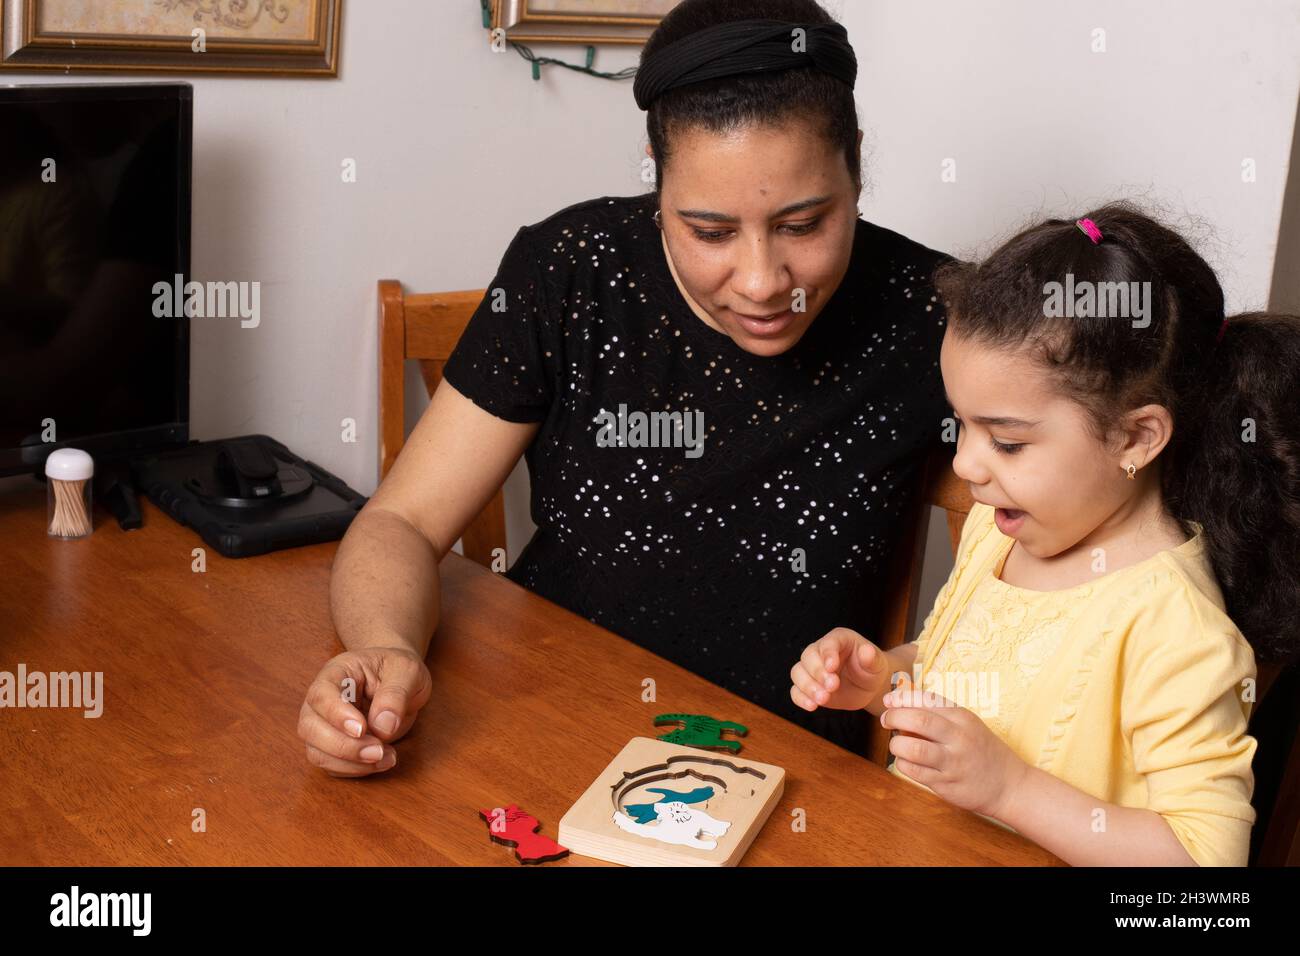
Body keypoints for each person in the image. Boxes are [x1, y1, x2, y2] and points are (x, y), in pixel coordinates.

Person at [298, 0, 954, 775]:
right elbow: (402, 521)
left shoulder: (938, 316)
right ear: (655, 173)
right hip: (540, 719)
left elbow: (1068, 585)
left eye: (805, 225)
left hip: (771, 769)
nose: (761, 282)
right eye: (709, 231)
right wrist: (386, 647)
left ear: (857, 163)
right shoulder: (572, 269)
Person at [790, 202, 1300, 865]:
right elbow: (973, 678)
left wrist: (1010, 789)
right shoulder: (997, 535)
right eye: (962, 426)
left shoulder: (1174, 628)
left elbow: (1205, 865)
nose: (966, 464)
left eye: (1005, 441)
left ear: (1135, 437)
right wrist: (884, 677)